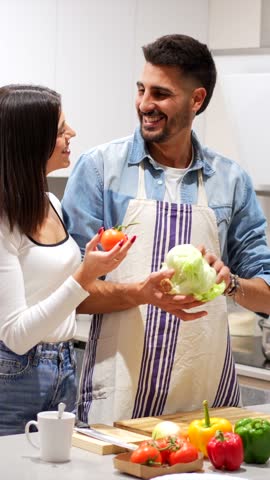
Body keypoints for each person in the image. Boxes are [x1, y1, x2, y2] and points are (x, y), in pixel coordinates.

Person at [62, 34, 270, 425]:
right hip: (119, 397)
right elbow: (69, 293)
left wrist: (231, 285)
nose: (144, 104)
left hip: (204, 402)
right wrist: (138, 293)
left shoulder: (231, 181)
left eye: (160, 93)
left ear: (196, 99)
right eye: (141, 89)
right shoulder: (100, 170)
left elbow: (267, 295)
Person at [0, 84, 136, 436]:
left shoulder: (52, 204)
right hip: (14, 376)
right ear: (33, 142)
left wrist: (90, 263)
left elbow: (51, 290)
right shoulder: (3, 221)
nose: (71, 134)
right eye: (61, 130)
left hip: (64, 364)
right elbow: (16, 336)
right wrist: (85, 274)